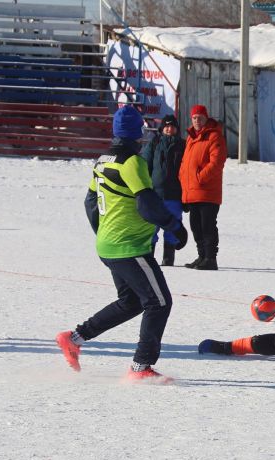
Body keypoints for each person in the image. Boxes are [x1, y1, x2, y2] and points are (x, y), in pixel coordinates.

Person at [55, 106, 188, 383]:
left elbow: (90, 202)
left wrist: (103, 232)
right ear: (137, 132)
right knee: (159, 303)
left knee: (131, 302)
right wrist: (174, 226)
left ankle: (75, 338)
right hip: (130, 247)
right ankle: (141, 368)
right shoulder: (132, 162)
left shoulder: (102, 160)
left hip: (109, 245)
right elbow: (147, 202)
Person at [179, 104, 227, 270]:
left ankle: (210, 258)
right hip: (192, 191)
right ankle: (201, 256)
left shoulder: (214, 136)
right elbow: (186, 164)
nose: (197, 121)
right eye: (194, 118)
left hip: (207, 190)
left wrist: (200, 177)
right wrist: (183, 183)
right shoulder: (191, 137)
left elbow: (217, 162)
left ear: (206, 118)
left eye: (200, 117)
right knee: (195, 225)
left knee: (207, 225)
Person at [141, 114, 185, 266]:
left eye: (172, 126)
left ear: (176, 129)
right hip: (155, 194)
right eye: (166, 126)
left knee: (172, 227)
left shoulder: (183, 145)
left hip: (174, 194)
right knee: (151, 227)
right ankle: (149, 257)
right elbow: (144, 164)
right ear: (162, 128)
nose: (169, 129)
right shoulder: (155, 142)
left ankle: (168, 259)